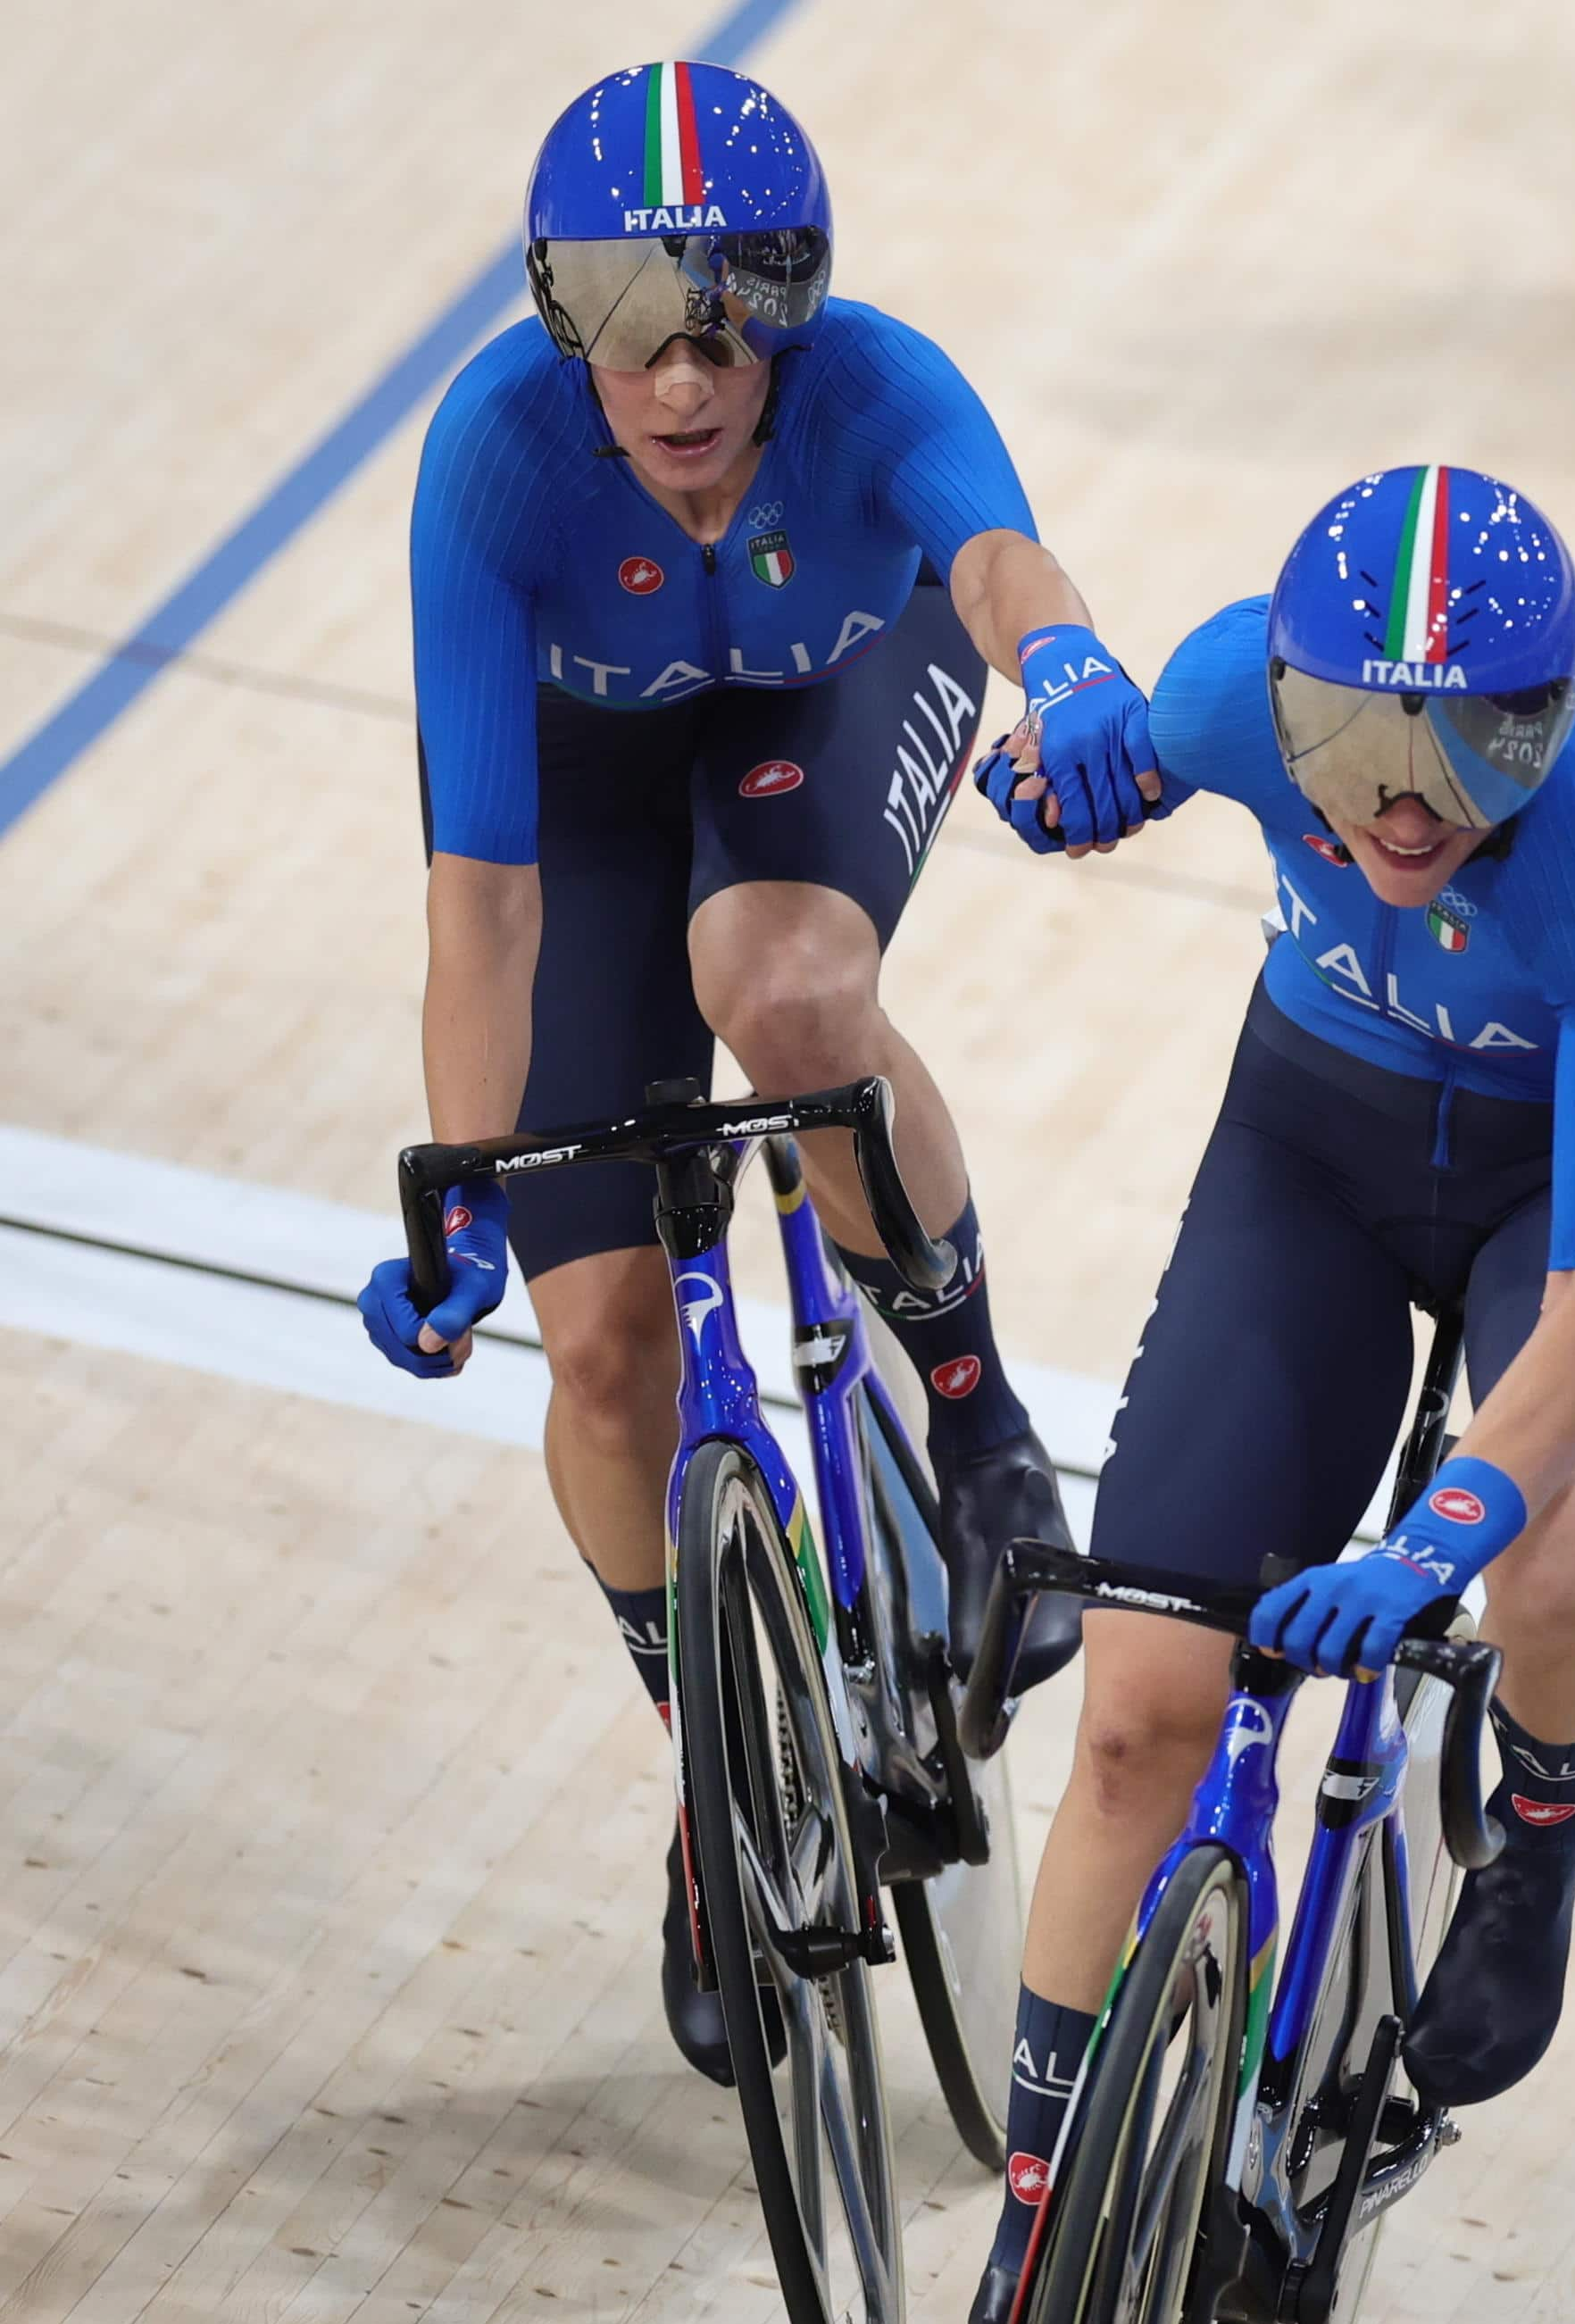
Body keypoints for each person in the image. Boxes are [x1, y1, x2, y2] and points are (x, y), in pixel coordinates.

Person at [914, 463, 1575, 2324]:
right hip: (1319, 1137)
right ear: (1289, 706)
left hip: (1569, 1186)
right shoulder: (1224, 698)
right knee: (1133, 1710)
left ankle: (1536, 1821)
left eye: (1470, 743)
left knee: (1563, 1543)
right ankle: (1030, 2253)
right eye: (1360, 740)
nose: (1403, 799)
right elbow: (1074, 713)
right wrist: (1079, 772)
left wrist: (1440, 1535)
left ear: (1547, 732)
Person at [357, 61, 1167, 2086]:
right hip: (589, 799)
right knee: (606, 1352)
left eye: (730, 313)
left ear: (797, 305)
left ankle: (978, 1431)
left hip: (830, 689)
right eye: (631, 315)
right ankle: (718, 1784)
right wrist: (465, 1180)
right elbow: (485, 912)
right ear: (560, 316)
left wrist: (1065, 664)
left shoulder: (880, 393)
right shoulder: (495, 461)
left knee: (783, 993)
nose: (685, 368)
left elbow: (997, 571)